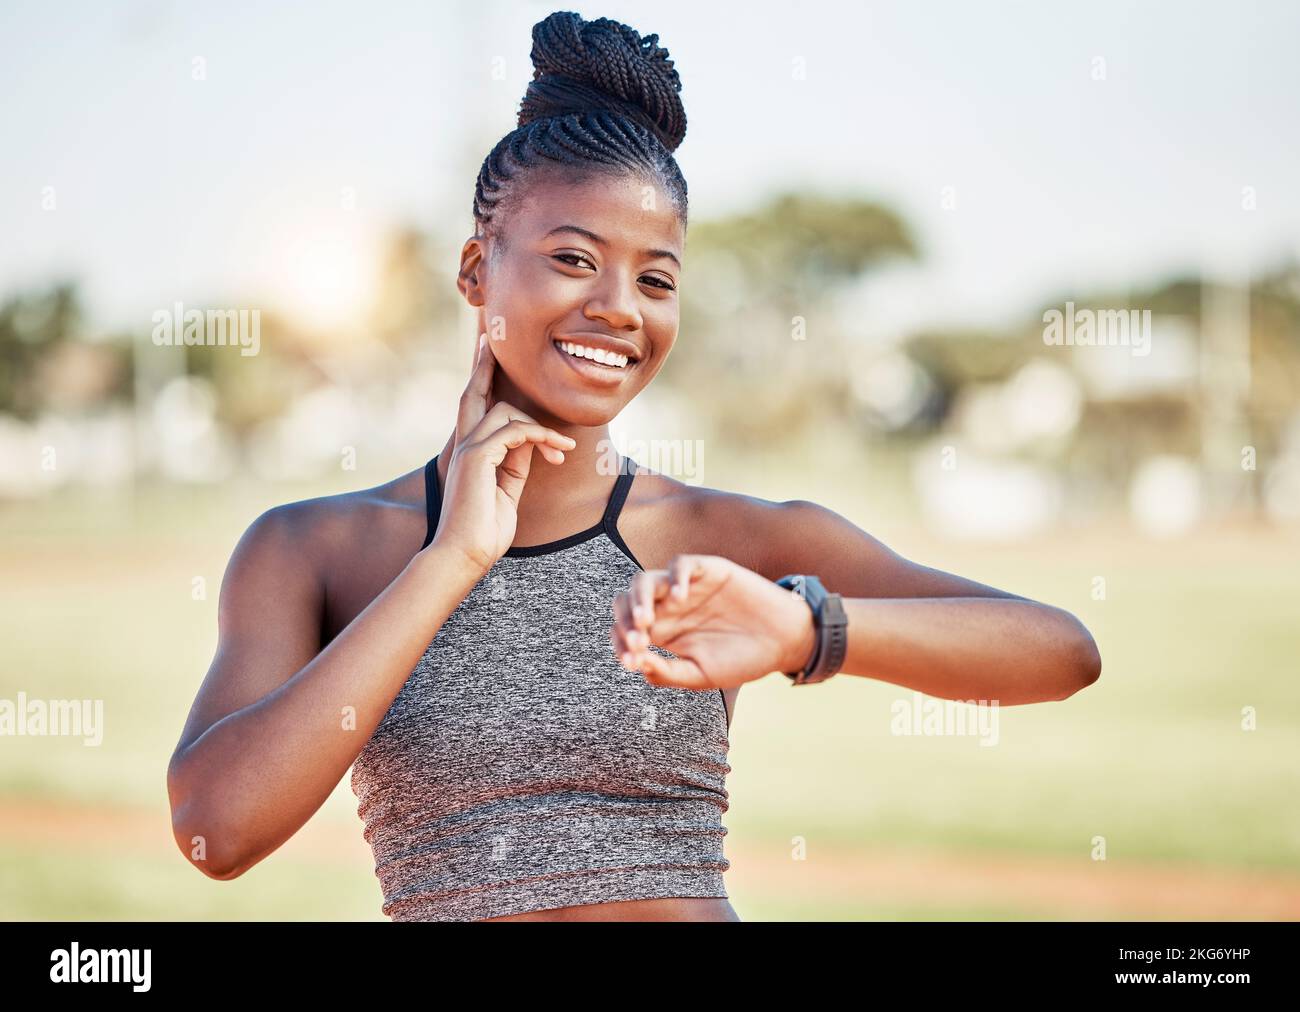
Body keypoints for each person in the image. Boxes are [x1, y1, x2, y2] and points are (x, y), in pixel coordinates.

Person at [166, 11, 1101, 923]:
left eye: (656, 279)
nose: (619, 308)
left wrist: (801, 628)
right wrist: (448, 562)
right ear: (474, 271)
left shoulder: (718, 538)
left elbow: (1059, 653)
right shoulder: (315, 550)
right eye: (574, 258)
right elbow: (217, 831)